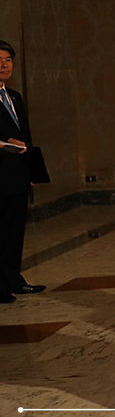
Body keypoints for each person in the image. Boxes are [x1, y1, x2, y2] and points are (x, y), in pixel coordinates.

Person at [0, 40, 44, 304]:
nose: (4, 65)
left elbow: (25, 136)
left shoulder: (14, 96)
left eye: (8, 60)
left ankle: (14, 279)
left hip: (17, 175)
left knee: (15, 231)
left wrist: (31, 171)